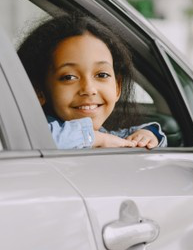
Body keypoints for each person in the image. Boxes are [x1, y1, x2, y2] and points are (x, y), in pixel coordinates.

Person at [17, 13, 166, 149]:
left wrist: (148, 134)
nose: (89, 89)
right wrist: (95, 139)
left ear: (117, 87)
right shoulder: (40, 131)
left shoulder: (104, 135)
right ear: (38, 91)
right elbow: (31, 139)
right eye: (69, 77)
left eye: (102, 75)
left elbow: (123, 138)